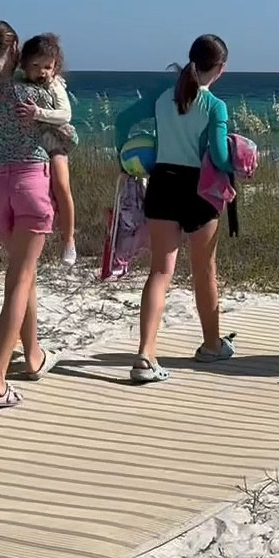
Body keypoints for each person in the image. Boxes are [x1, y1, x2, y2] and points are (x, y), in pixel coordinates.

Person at [114, 35, 233, 384]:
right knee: (204, 271)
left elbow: (123, 122)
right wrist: (235, 167)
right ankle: (212, 345)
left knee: (160, 273)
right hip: (199, 189)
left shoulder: (163, 95)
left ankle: (145, 354)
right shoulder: (215, 106)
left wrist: (125, 158)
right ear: (221, 69)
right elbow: (221, 157)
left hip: (162, 183)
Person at [0, 20, 63, 406]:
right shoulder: (30, 92)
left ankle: (33, 355)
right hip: (29, 183)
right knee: (19, 281)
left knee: (25, 274)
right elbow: (67, 132)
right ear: (15, 49)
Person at [19, 33, 79, 268]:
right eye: (36, 65)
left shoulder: (54, 85)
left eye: (48, 66)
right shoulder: (20, 82)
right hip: (31, 144)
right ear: (24, 64)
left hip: (55, 141)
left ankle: (69, 240)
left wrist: (39, 114)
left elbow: (66, 114)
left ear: (55, 67)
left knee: (62, 185)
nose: (42, 71)